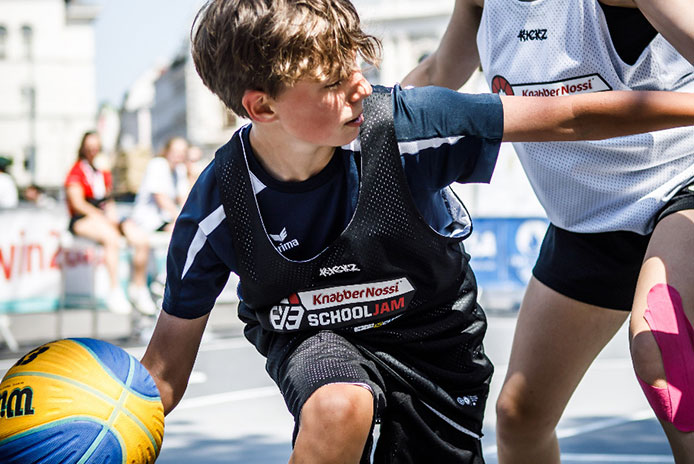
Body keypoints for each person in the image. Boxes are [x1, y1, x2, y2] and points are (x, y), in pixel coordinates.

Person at [140, 1, 694, 462]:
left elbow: (569, 115)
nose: (360, 87)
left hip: (440, 343)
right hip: (328, 336)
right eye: (335, 81)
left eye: (358, 68)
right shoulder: (221, 202)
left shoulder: (400, 128)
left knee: (660, 361)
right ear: (260, 107)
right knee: (361, 409)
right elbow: (164, 371)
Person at [402, 1, 694, 462]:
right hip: (587, 224)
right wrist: (351, 129)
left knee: (663, 356)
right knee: (520, 417)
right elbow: (440, 69)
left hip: (681, 187)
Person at [64, 131, 157, 316]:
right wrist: (101, 217)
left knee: (140, 238)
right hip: (82, 219)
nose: (92, 151)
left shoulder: (102, 172)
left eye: (95, 147)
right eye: (89, 147)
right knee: (111, 238)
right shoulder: (76, 172)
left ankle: (138, 288)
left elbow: (109, 202)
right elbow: (78, 204)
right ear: (83, 148)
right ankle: (114, 289)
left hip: (103, 216)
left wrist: (112, 218)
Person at [131, 136, 191, 233]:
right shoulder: (158, 164)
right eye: (176, 150)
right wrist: (181, 218)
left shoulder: (180, 170)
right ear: (167, 151)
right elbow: (160, 197)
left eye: (183, 151)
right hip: (149, 220)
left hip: (167, 219)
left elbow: (183, 198)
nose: (179, 154)